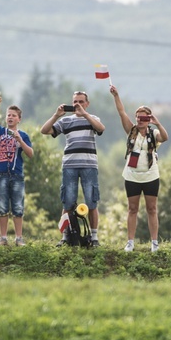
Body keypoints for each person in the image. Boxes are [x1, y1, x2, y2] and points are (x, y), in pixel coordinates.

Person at [40, 90, 105, 246]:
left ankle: (94, 237)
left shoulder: (93, 119)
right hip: (70, 164)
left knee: (92, 201)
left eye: (81, 101)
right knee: (67, 202)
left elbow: (101, 128)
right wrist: (57, 115)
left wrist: (85, 115)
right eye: (75, 101)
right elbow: (44, 130)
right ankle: (64, 237)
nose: (78, 104)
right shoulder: (66, 121)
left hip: (89, 164)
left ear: (87, 104)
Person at [109, 85, 169, 252]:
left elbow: (165, 137)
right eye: (138, 117)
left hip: (151, 175)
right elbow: (122, 112)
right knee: (132, 208)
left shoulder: (153, 133)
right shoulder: (131, 131)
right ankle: (130, 242)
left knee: (151, 208)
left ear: (149, 119)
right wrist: (116, 96)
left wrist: (158, 123)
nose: (140, 120)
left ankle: (154, 242)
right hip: (132, 175)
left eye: (143, 118)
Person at [0, 94, 34, 246]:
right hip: (0, 174)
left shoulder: (23, 135)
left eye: (13, 115)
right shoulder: (0, 131)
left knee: (18, 207)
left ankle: (19, 238)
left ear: (19, 119)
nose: (10, 117)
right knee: (2, 206)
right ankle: (3, 238)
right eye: (8, 115)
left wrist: (20, 141)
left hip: (17, 175)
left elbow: (30, 154)